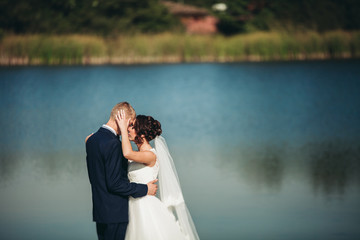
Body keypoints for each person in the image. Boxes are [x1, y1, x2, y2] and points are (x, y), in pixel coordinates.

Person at [116, 109, 200, 240]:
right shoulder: (136, 155)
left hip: (145, 206)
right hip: (131, 204)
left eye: (132, 126)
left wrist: (122, 128)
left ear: (142, 134)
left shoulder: (150, 155)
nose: (128, 129)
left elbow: (127, 153)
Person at [85, 102, 158, 240]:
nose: (130, 128)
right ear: (123, 119)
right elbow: (115, 183)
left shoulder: (92, 140)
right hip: (115, 212)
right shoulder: (114, 144)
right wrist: (145, 189)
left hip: (101, 212)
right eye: (130, 123)